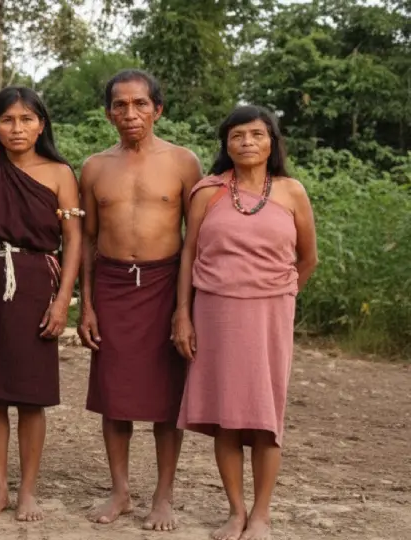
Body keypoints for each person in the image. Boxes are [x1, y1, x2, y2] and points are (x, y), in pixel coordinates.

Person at [174, 105, 318, 540]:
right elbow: (188, 255)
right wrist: (183, 313)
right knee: (228, 415)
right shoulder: (208, 192)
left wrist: (280, 294)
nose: (247, 143)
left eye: (257, 134)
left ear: (272, 141)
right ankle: (236, 510)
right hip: (215, 312)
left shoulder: (292, 192)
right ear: (226, 145)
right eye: (237, 136)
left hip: (270, 314)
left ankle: (262, 515)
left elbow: (308, 258)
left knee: (265, 415)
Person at [77, 69, 203, 531]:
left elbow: (194, 240)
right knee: (114, 394)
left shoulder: (184, 163)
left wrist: (185, 309)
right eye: (120, 105)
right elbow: (88, 241)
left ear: (158, 109)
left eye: (140, 104)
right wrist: (85, 304)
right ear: (109, 112)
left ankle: (163, 496)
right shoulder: (94, 167)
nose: (130, 114)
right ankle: (120, 491)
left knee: (167, 399)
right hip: (111, 285)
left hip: (165, 284)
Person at [0, 86, 81, 522]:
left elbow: (74, 242)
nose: (17, 128)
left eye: (26, 119)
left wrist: (63, 302)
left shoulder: (60, 173)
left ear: (41, 124)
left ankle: (27, 491)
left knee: (30, 397)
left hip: (34, 284)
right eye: (7, 120)